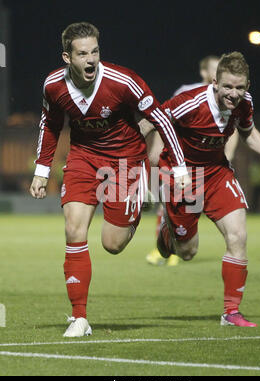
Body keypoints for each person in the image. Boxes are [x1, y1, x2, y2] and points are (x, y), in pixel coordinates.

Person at [29, 22, 190, 338]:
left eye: (95, 52)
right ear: (67, 57)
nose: (90, 60)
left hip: (125, 162)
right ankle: (79, 318)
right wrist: (42, 169)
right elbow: (50, 125)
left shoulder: (124, 81)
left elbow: (160, 118)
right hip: (82, 158)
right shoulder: (53, 86)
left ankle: (152, 214)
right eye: (82, 54)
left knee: (112, 244)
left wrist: (181, 168)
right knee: (74, 228)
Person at [154, 52, 260, 327]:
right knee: (187, 253)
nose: (233, 93)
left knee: (238, 235)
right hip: (183, 176)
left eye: (240, 88)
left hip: (217, 174)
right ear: (215, 82)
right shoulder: (190, 101)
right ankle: (169, 232)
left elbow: (247, 132)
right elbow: (156, 120)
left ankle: (231, 312)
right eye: (228, 87)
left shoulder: (244, 104)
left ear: (247, 86)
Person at [145, 55, 239, 267]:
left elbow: (238, 129)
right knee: (170, 207)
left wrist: (229, 154)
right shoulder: (188, 92)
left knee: (195, 224)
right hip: (181, 163)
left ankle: (178, 243)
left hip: (211, 166)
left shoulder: (230, 97)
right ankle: (165, 247)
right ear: (205, 73)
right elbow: (165, 119)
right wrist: (157, 147)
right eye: (215, 70)